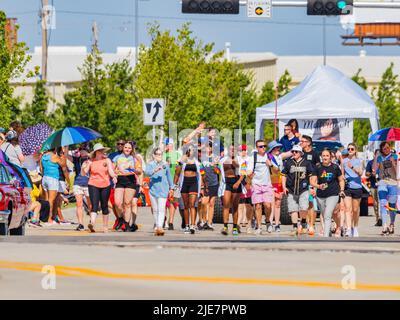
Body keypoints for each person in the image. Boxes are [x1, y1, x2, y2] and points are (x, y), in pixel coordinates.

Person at [83, 143, 118, 233]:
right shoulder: (91, 161)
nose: (102, 152)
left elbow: (110, 171)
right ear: (96, 152)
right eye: (100, 150)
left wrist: (114, 176)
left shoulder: (107, 160)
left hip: (105, 184)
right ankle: (92, 223)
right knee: (94, 205)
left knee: (104, 205)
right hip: (93, 184)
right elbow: (84, 173)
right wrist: (85, 166)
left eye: (103, 150)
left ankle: (105, 226)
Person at [311, 149, 346, 237]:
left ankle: (326, 236)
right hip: (320, 195)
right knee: (324, 213)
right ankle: (330, 230)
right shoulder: (318, 167)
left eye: (327, 156)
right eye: (323, 156)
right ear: (321, 157)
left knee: (327, 214)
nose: (325, 157)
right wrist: (318, 186)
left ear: (330, 157)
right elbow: (312, 181)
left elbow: (341, 180)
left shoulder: (335, 167)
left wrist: (341, 190)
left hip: (333, 194)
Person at [281, 145, 314, 236]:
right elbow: (283, 174)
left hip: (303, 189)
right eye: (293, 152)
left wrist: (311, 187)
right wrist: (284, 187)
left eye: (296, 152)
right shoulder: (289, 162)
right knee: (293, 209)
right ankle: (295, 227)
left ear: (300, 153)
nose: (294, 153)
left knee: (303, 207)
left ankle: (303, 222)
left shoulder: (306, 163)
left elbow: (311, 175)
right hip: (291, 189)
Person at [247, 140, 275, 235]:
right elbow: (249, 171)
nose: (263, 148)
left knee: (268, 205)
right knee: (258, 206)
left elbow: (277, 170)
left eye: (264, 146)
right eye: (260, 146)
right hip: (256, 184)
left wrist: (270, 165)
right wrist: (250, 175)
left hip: (267, 184)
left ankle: (267, 221)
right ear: (257, 148)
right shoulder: (253, 158)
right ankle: (259, 226)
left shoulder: (270, 156)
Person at [113, 141, 143, 232]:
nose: (127, 149)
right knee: (117, 203)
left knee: (127, 203)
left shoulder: (135, 159)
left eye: (129, 148)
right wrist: (114, 176)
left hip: (130, 180)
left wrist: (133, 168)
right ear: (123, 148)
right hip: (120, 180)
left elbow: (140, 171)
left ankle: (126, 225)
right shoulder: (117, 158)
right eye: (126, 147)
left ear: (132, 149)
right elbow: (112, 169)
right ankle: (121, 218)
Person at [145, 148, 174, 236]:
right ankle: (158, 225)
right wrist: (155, 170)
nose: (159, 156)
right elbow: (147, 173)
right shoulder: (150, 164)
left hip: (163, 189)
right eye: (157, 154)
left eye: (160, 154)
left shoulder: (165, 165)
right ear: (153, 155)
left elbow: (169, 176)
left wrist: (171, 188)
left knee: (161, 209)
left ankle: (159, 227)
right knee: (155, 209)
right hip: (153, 190)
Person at [373, 142, 398, 236]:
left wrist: (393, 163)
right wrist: (376, 157)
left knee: (392, 205)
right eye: (384, 148)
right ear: (381, 150)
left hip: (393, 182)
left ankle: (392, 223)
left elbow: (397, 171)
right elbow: (374, 169)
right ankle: (384, 225)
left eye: (388, 148)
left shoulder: (394, 156)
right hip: (382, 181)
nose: (387, 149)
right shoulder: (379, 158)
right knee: (383, 203)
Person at [176, 144, 202, 234]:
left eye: (193, 150)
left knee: (192, 204)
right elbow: (177, 173)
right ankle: (187, 225)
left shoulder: (197, 161)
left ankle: (192, 225)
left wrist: (203, 187)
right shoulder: (183, 160)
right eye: (190, 150)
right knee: (186, 205)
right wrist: (174, 185)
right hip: (184, 183)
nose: (192, 151)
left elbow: (202, 174)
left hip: (194, 182)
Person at [267, 140, 292, 232]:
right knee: (271, 204)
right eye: (276, 148)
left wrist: (299, 143)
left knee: (278, 204)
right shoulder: (268, 157)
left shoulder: (280, 156)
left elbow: (290, 153)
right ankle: (270, 223)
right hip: (271, 181)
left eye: (279, 147)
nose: (278, 149)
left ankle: (277, 224)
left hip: (280, 181)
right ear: (272, 149)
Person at [299, 135, 320, 235]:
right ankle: (307, 223)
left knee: (312, 204)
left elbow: (318, 168)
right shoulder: (300, 153)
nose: (301, 143)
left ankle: (312, 224)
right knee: (305, 204)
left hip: (312, 180)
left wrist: (317, 181)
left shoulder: (315, 153)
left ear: (308, 143)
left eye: (302, 141)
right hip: (303, 181)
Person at [220, 145, 243, 236]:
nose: (232, 151)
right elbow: (218, 170)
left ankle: (234, 227)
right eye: (231, 149)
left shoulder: (240, 159)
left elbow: (243, 172)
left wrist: (238, 182)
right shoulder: (223, 160)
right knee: (226, 205)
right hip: (227, 183)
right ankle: (225, 226)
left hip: (236, 181)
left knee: (235, 206)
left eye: (234, 149)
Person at [199, 142, 221, 231]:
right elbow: (200, 171)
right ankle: (203, 221)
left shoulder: (215, 158)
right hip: (205, 184)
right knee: (204, 202)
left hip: (214, 183)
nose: (207, 148)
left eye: (208, 147)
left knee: (211, 204)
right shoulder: (202, 158)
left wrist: (215, 165)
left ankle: (210, 223)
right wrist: (201, 185)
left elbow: (218, 172)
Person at [40, 148, 66, 224]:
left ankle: (45, 218)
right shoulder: (54, 156)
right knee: (51, 200)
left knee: (47, 199)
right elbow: (63, 165)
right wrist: (63, 156)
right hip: (52, 179)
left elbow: (41, 169)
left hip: (45, 178)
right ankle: (49, 219)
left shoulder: (43, 156)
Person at [343, 143, 363, 237]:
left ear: (355, 150)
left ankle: (355, 227)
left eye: (352, 149)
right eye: (349, 149)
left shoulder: (359, 160)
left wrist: (352, 167)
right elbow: (342, 174)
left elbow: (360, 173)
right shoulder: (343, 161)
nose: (350, 150)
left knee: (355, 210)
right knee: (348, 209)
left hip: (357, 187)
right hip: (347, 187)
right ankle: (348, 228)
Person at [163, 137, 182, 230]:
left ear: (172, 145)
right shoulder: (161, 154)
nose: (166, 146)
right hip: (164, 182)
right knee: (163, 202)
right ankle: (163, 220)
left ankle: (171, 222)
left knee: (173, 202)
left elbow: (180, 168)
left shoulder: (177, 155)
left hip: (175, 181)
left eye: (168, 144)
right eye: (165, 144)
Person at [72, 146, 91, 231]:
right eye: (81, 151)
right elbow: (66, 156)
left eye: (85, 151)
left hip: (88, 184)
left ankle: (92, 221)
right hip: (77, 184)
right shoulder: (76, 159)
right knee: (79, 204)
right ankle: (81, 224)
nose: (83, 152)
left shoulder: (91, 160)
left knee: (90, 204)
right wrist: (66, 146)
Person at [237, 145, 252, 229]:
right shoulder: (238, 159)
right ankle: (239, 220)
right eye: (241, 150)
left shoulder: (249, 159)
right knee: (240, 203)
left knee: (247, 203)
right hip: (239, 182)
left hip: (247, 182)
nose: (243, 152)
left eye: (244, 150)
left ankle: (246, 219)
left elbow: (250, 171)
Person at [366, 150, 381, 227]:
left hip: (381, 185)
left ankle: (381, 218)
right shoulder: (370, 163)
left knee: (381, 202)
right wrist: (372, 173)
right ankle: (377, 218)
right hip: (373, 185)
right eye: (377, 154)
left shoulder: (382, 162)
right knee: (375, 203)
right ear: (374, 155)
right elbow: (366, 173)